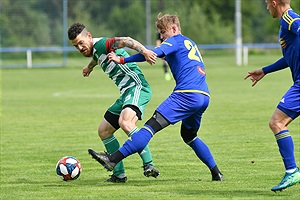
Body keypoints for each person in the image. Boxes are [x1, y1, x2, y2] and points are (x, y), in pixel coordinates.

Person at [88, 13, 224, 181]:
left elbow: (149, 53)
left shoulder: (174, 41)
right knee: (189, 136)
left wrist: (122, 59)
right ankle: (216, 172)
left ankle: (113, 159)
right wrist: (128, 59)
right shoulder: (189, 43)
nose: (161, 36)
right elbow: (152, 55)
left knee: (149, 128)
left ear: (174, 29)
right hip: (203, 96)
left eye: (163, 31)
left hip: (185, 95)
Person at [67, 22, 160, 183]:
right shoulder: (96, 51)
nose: (80, 48)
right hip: (126, 93)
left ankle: (149, 164)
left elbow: (126, 40)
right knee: (104, 131)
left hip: (137, 87)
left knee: (125, 122)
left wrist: (144, 51)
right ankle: (119, 174)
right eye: (76, 46)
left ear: (89, 36)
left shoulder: (103, 44)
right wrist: (90, 67)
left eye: (81, 43)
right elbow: (97, 57)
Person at [244, 0, 300, 192]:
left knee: (277, 122)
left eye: (267, 4)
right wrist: (265, 70)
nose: (267, 8)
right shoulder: (286, 21)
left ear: (274, 3)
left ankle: (292, 170)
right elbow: (290, 55)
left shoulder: (289, 19)